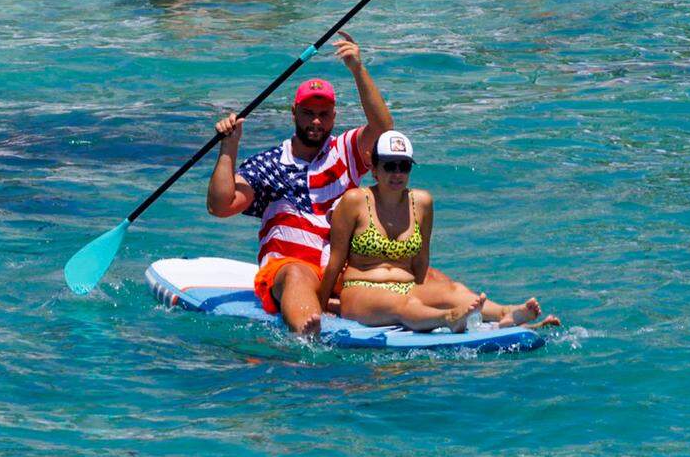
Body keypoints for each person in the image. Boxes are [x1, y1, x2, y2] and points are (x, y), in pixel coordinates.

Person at [206, 34, 557, 335]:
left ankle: (503, 315)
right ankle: (306, 334)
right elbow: (221, 205)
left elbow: (384, 129)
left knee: (433, 279)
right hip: (291, 267)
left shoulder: (343, 150)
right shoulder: (270, 164)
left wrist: (358, 69)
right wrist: (229, 147)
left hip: (342, 271)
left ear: (334, 115)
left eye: (324, 113)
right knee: (297, 273)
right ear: (293, 113)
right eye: (308, 113)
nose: (316, 121)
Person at [319, 131, 487, 332]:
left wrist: (423, 293)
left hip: (406, 288)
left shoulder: (422, 202)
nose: (397, 174)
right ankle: (448, 317)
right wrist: (321, 306)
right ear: (374, 169)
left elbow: (421, 259)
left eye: (404, 166)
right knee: (404, 305)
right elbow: (335, 262)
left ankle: (508, 313)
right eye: (390, 166)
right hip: (362, 290)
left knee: (455, 290)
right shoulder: (354, 200)